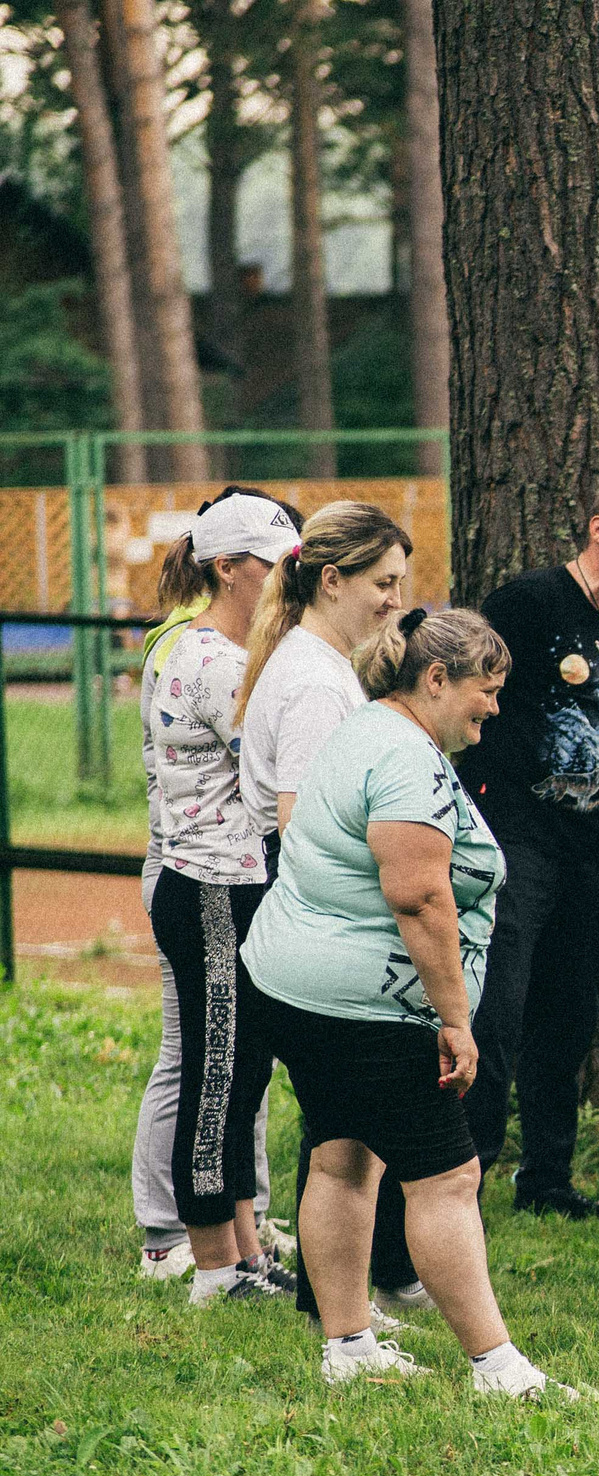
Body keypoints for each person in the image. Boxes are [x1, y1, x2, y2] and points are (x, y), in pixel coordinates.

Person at [243, 608, 571, 1396]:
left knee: (343, 1155)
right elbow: (420, 894)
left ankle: (348, 1347)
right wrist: (455, 1019)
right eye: (485, 690)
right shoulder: (403, 757)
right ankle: (497, 1367)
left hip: (292, 983)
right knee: (448, 1177)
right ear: (434, 679)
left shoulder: (365, 728)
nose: (493, 707)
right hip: (365, 1003)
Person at [459, 484, 599, 1219]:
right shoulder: (528, 602)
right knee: (497, 1006)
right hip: (516, 833)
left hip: (591, 843)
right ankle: (467, 1175)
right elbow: (469, 695)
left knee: (570, 1014)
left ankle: (546, 1178)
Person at [235, 501, 422, 1323]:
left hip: (317, 909)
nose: (394, 600)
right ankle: (334, 1302)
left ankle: (333, 1296)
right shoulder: (313, 678)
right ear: (332, 577)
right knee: (342, 1128)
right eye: (383, 583)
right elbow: (303, 823)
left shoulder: (322, 662)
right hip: (321, 910)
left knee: (342, 1123)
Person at [132, 489, 295, 1283]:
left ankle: (246, 1252)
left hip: (227, 884)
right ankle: (207, 1265)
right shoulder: (215, 661)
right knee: (215, 1073)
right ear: (228, 569)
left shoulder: (221, 651)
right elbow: (274, 773)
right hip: (211, 887)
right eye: (274, 566)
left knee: (242, 1072)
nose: (287, 580)